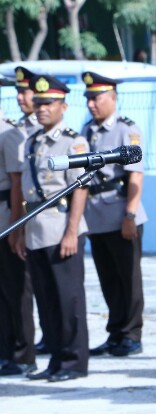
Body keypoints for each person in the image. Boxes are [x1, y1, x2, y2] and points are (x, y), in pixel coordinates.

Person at [16, 75, 90, 382]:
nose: (42, 108)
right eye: (38, 103)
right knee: (46, 299)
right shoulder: (31, 141)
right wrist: (20, 231)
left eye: (48, 103)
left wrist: (72, 231)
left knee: (67, 298)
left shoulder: (72, 142)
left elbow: (80, 188)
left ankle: (73, 362)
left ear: (63, 106)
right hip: (35, 228)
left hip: (61, 226)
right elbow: (26, 189)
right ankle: (56, 359)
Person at [80, 71, 146, 358]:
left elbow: (135, 176)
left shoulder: (126, 130)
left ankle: (132, 334)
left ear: (113, 97)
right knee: (108, 278)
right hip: (96, 216)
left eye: (97, 98)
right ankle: (116, 332)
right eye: (89, 99)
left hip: (121, 213)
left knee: (128, 277)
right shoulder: (86, 131)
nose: (92, 104)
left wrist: (130, 215)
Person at [0, 70, 37, 376]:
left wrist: (16, 227)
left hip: (5, 214)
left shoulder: (8, 133)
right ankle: (5, 348)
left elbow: (15, 185)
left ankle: (23, 352)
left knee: (16, 288)